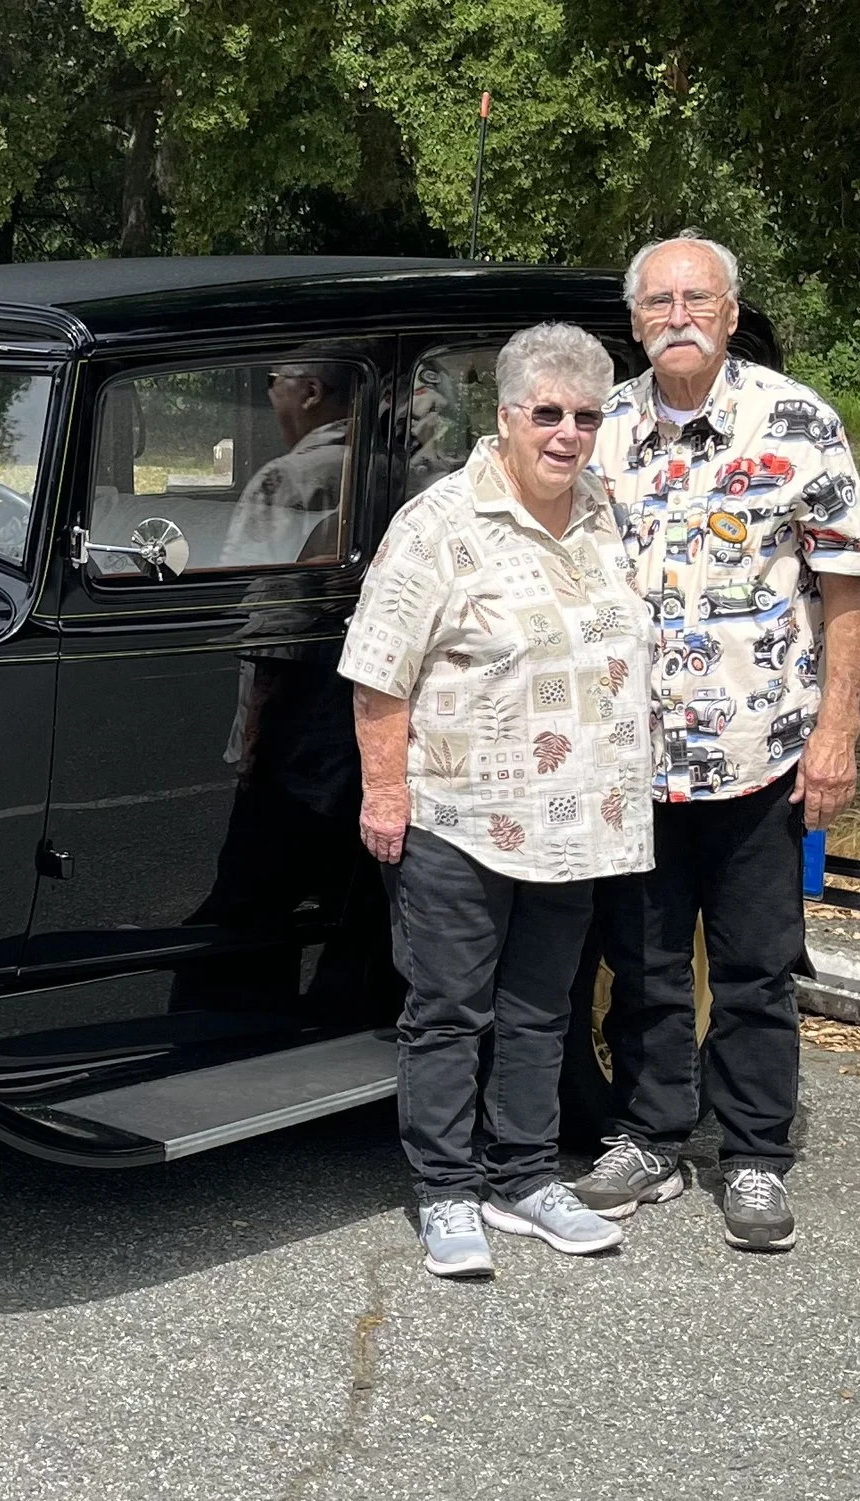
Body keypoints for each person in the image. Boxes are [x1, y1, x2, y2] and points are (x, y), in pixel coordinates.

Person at [577, 230, 860, 1253]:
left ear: (731, 313)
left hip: (762, 750)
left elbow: (847, 588)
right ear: (633, 321)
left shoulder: (795, 422)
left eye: (696, 299)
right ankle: (651, 1135)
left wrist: (837, 729)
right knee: (645, 960)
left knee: (755, 965)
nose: (678, 317)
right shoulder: (604, 428)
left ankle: (754, 1152)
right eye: (658, 302)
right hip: (633, 757)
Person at [339, 322, 656, 1279]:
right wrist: (384, 790)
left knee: (541, 1007)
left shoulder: (605, 512)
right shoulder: (439, 522)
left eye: (587, 416)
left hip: (576, 818)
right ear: (508, 414)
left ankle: (524, 1174)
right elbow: (378, 671)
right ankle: (446, 1186)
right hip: (459, 816)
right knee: (448, 1009)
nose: (567, 433)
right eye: (548, 413)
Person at [224, 362, 352, 565]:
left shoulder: (283, 478)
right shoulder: (392, 467)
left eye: (273, 380)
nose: (269, 393)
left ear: (311, 393)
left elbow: (243, 576)